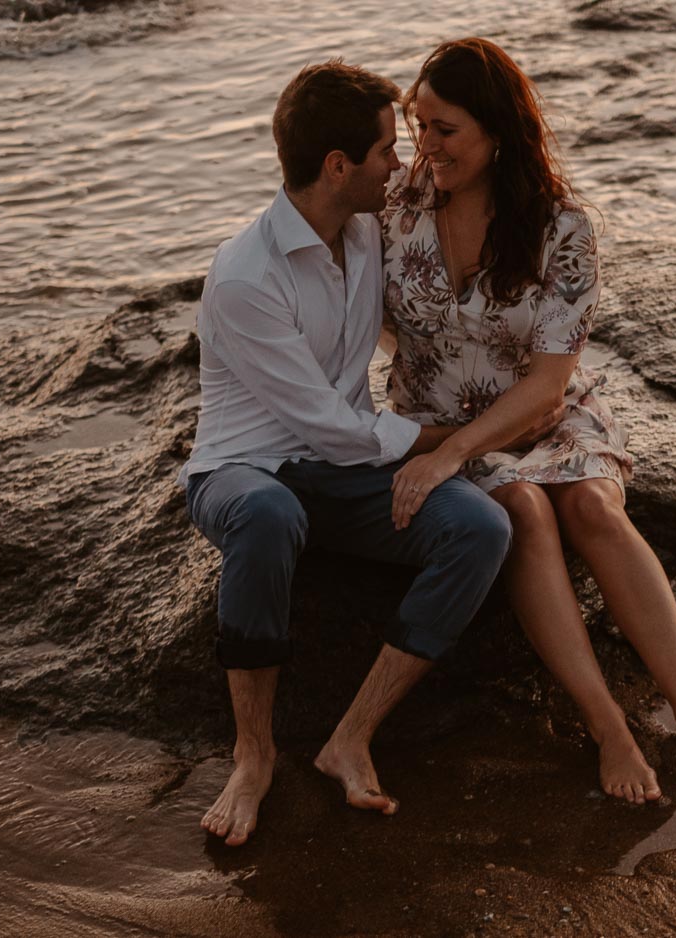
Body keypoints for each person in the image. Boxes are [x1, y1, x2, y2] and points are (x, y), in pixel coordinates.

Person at [380, 38, 676, 805]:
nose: (427, 144)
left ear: (497, 129)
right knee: (523, 510)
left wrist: (452, 454)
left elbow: (551, 387)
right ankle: (607, 725)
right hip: (430, 418)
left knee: (589, 504)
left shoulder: (563, 229)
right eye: (419, 124)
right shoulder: (396, 205)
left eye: (445, 128)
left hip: (539, 414)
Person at [180, 60, 515, 846]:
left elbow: (475, 206)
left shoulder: (368, 231)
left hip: (345, 473)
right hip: (247, 467)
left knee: (482, 529)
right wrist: (458, 438)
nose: (401, 166)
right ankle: (253, 755)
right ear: (337, 167)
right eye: (385, 152)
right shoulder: (245, 277)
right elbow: (327, 427)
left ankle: (350, 736)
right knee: (266, 515)